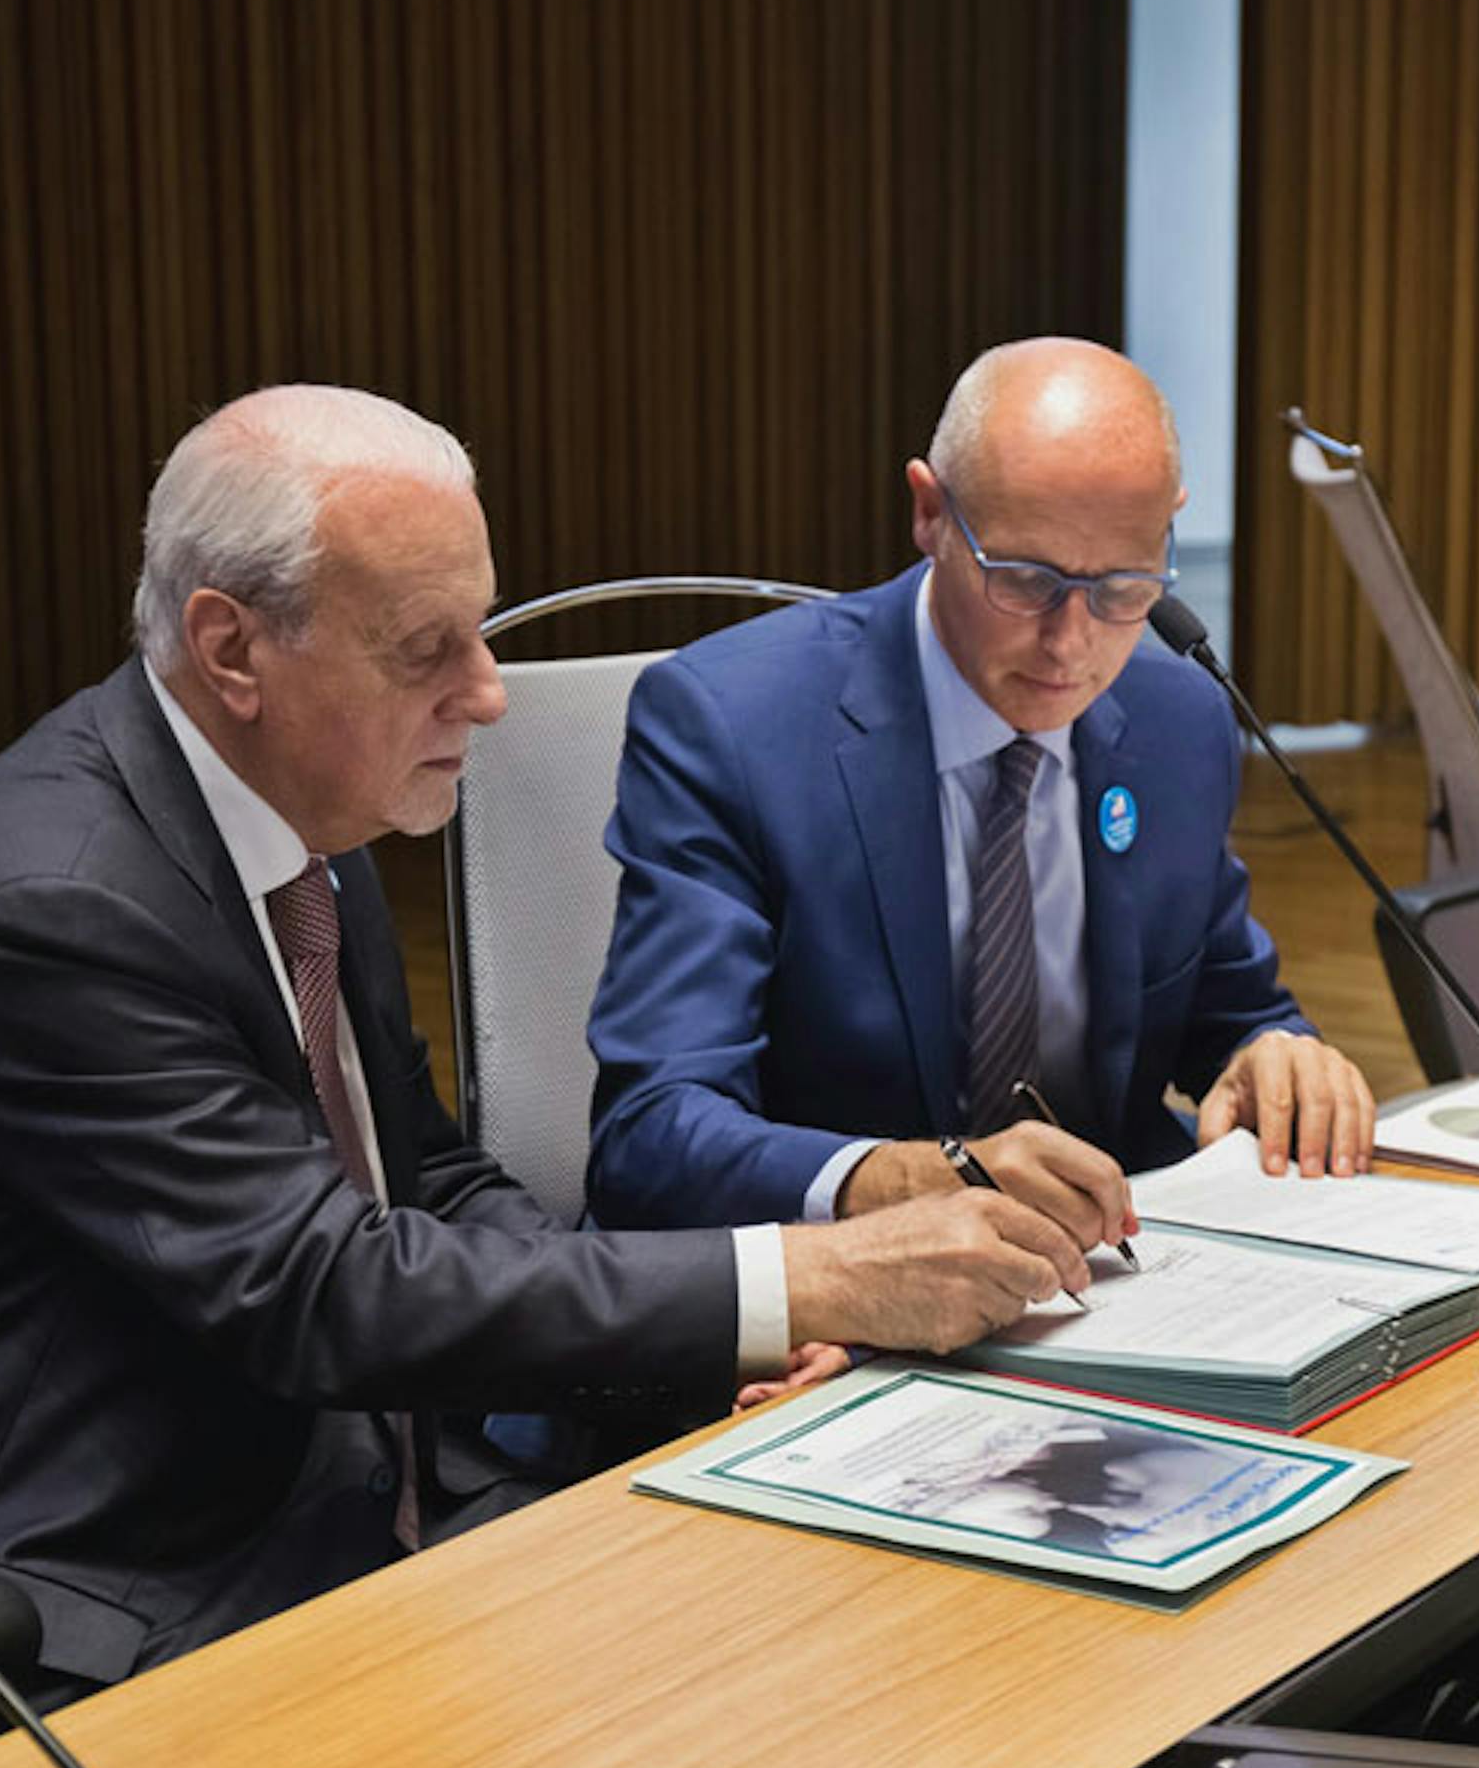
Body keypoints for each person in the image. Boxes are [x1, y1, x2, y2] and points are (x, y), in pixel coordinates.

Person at [0, 384, 1086, 1768]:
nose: (490, 690)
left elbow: (427, 1178)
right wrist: (806, 1276)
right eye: (425, 650)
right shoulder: (48, 909)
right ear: (231, 649)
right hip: (56, 1618)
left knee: (820, 1683)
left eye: (482, 627)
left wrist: (722, 1342)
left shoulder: (292, 828)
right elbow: (329, 1287)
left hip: (316, 1506)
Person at [585, 338, 1377, 1257]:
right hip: (838, 1308)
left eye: (1123, 587)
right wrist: (921, 1178)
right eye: (1028, 581)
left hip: (1112, 1284)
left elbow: (1228, 1010)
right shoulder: (732, 727)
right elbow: (651, 1133)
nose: (1068, 644)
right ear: (928, 512)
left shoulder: (1179, 723)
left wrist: (1272, 1058)